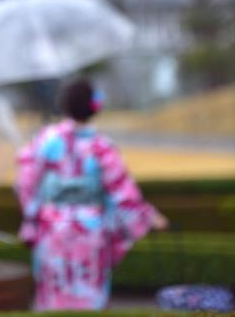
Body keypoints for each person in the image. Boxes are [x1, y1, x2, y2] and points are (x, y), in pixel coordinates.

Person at [16, 77, 168, 311]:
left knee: (53, 297)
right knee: (88, 298)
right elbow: (122, 192)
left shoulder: (45, 140)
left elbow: (26, 182)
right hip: (90, 231)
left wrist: (34, 212)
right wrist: (147, 216)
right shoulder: (101, 146)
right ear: (94, 109)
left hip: (51, 229)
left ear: (64, 105)